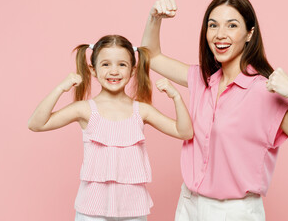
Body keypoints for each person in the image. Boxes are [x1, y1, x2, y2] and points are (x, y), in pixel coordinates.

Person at [141, 0, 288, 220]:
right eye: (213, 25)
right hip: (189, 205)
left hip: (233, 212)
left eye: (232, 25)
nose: (219, 34)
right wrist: (154, 17)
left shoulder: (265, 92)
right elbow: (151, 56)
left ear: (249, 34)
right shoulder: (202, 79)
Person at [28, 34, 193, 221]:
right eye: (106, 64)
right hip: (91, 211)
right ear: (93, 69)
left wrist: (176, 97)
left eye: (122, 64)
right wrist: (60, 88)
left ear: (132, 70)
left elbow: (184, 132)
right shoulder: (85, 110)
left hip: (133, 210)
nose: (114, 71)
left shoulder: (141, 111)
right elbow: (36, 124)